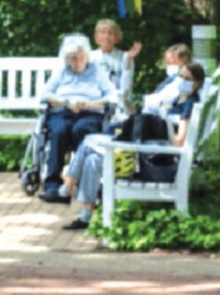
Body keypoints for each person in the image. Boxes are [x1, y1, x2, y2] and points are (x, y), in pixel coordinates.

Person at [62, 62, 206, 230]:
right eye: (180, 77)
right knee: (93, 158)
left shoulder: (189, 105)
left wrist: (165, 125)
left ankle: (68, 184)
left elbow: (180, 141)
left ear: (198, 83)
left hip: (153, 159)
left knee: (89, 142)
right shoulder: (176, 100)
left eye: (188, 79)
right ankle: (85, 215)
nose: (182, 81)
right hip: (147, 151)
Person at [37, 33, 117, 203]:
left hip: (89, 112)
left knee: (82, 131)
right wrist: (65, 103)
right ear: (67, 58)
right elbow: (45, 94)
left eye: (80, 58)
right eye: (72, 59)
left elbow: (112, 95)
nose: (77, 62)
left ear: (86, 56)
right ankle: (52, 186)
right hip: (63, 111)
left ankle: (84, 186)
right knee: (58, 132)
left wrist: (90, 104)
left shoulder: (97, 70)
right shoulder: (62, 70)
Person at [89, 18, 141, 107]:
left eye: (110, 33)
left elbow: (126, 89)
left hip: (117, 103)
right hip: (94, 102)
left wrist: (128, 61)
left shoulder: (125, 56)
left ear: (117, 37)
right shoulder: (89, 57)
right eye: (102, 32)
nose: (106, 36)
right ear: (96, 37)